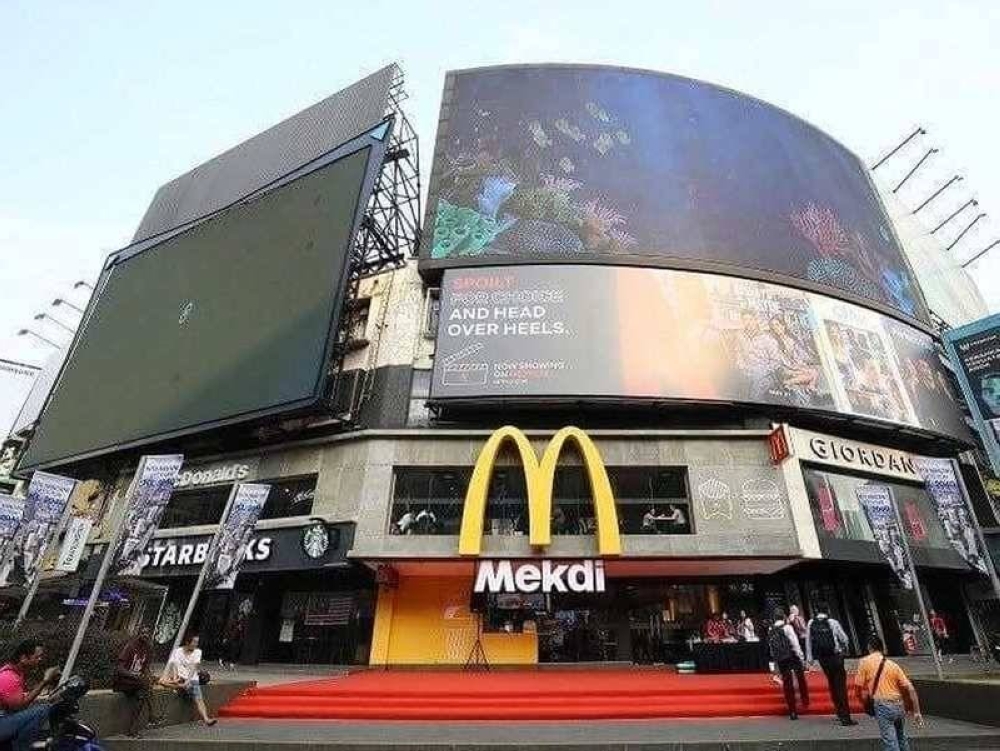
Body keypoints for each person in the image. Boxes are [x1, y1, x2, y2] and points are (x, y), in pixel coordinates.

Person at [855, 634, 923, 751]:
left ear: (869, 647)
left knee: (890, 740)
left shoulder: (864, 662)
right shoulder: (893, 665)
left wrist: (863, 701)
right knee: (901, 736)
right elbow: (910, 689)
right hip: (898, 704)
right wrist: (917, 712)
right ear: (882, 648)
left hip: (882, 705)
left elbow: (857, 688)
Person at [0, 639, 61, 751]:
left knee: (38, 709)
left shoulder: (16, 673)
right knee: (42, 710)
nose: (40, 659)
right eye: (37, 657)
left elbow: (20, 699)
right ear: (23, 658)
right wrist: (45, 681)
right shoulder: (8, 677)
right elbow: (19, 707)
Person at [805, 603, 856, 726]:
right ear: (827, 610)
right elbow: (844, 638)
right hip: (835, 656)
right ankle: (845, 717)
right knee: (840, 686)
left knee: (832, 684)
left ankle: (838, 711)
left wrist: (809, 658)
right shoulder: (833, 622)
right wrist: (845, 647)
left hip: (823, 659)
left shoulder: (811, 623)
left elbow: (808, 641)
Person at [113, 626, 163, 737]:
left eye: (147, 633)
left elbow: (145, 669)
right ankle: (152, 716)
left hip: (137, 684)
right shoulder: (130, 647)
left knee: (142, 694)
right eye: (143, 633)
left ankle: (133, 728)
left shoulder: (148, 649)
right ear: (138, 634)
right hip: (123, 681)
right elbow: (119, 669)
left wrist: (150, 677)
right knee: (144, 686)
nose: (145, 635)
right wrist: (134, 676)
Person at [161, 634, 216, 726]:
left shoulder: (198, 652)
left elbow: (194, 668)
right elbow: (174, 665)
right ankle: (180, 687)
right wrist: (175, 678)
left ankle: (206, 719)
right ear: (187, 642)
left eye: (197, 642)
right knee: (161, 681)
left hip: (192, 679)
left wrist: (188, 681)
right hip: (179, 678)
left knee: (198, 698)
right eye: (194, 642)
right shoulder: (177, 651)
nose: (196, 644)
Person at [768, 609, 809, 720]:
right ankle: (805, 699)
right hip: (792, 656)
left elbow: (771, 647)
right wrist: (801, 657)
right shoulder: (787, 627)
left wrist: (775, 660)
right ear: (784, 617)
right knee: (800, 677)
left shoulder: (771, 629)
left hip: (781, 658)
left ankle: (792, 711)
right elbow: (795, 643)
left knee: (787, 683)